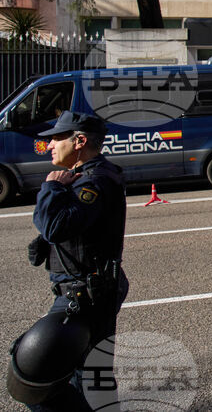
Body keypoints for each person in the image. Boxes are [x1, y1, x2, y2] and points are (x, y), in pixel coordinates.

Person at [9, 111, 128, 411]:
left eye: (57, 138)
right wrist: (47, 246)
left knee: (36, 374)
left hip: (84, 296)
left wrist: (51, 187)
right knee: (91, 378)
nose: (50, 144)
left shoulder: (94, 181)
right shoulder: (88, 175)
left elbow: (57, 225)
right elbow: (79, 231)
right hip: (85, 289)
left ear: (80, 141)